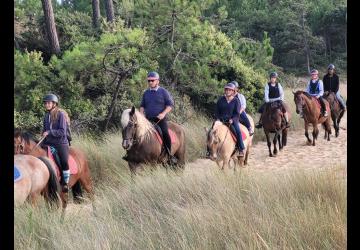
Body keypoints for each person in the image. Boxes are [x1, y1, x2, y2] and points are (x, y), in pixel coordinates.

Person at [140, 71, 177, 164]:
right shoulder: (146, 93)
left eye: (152, 80)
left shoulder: (163, 92)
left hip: (160, 119)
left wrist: (163, 113)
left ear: (157, 81)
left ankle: (169, 155)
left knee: (165, 133)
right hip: (147, 119)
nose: (150, 82)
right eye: (149, 81)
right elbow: (142, 106)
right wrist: (141, 115)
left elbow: (170, 105)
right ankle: (134, 154)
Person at [42, 93, 70, 192]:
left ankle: (65, 183)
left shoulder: (60, 114)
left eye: (49, 103)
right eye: (45, 103)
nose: (47, 105)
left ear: (54, 103)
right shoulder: (46, 116)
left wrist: (49, 132)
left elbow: (62, 131)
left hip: (60, 143)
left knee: (64, 162)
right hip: (49, 143)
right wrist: (43, 137)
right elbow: (44, 130)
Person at [215, 82, 245, 157]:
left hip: (232, 121)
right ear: (225, 90)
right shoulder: (220, 100)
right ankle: (209, 151)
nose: (228, 91)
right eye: (227, 90)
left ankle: (241, 149)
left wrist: (233, 119)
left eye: (230, 90)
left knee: (238, 131)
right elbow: (217, 111)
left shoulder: (236, 101)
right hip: (221, 120)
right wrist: (218, 119)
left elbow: (237, 113)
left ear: (233, 91)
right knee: (211, 132)